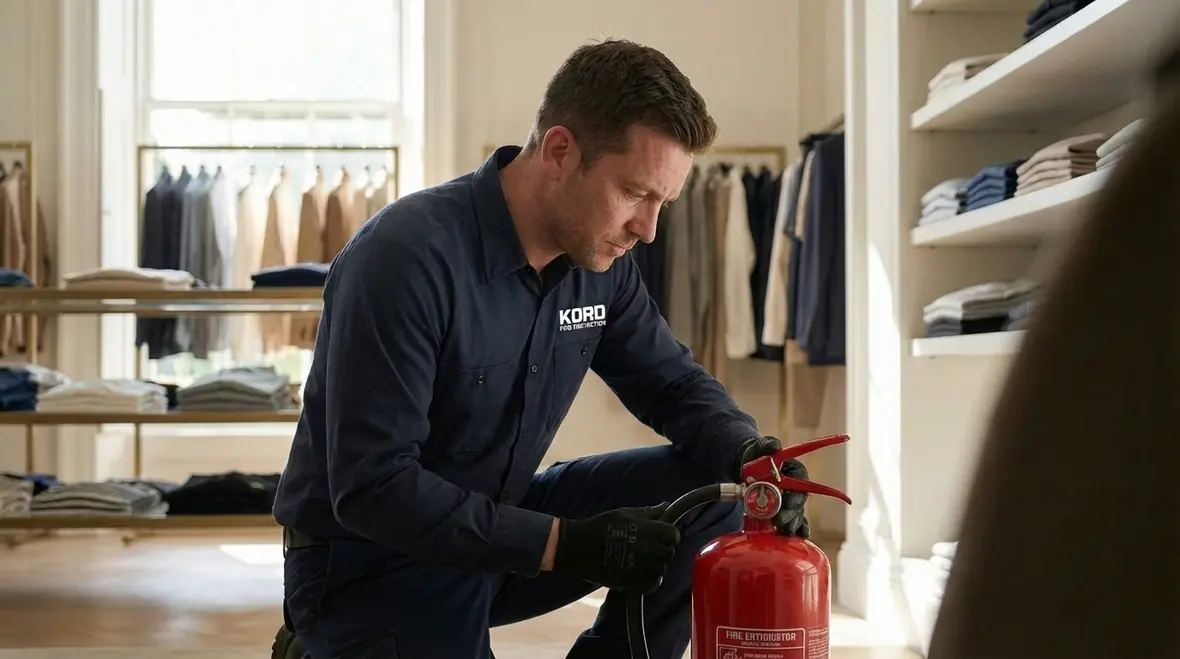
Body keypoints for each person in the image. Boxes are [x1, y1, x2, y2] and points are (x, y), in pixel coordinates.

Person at [270, 38, 809, 659]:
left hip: (499, 527)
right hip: (371, 562)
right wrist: (567, 543)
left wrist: (751, 453)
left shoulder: (601, 263)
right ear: (559, 151)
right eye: (635, 193)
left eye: (663, 202)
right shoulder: (404, 259)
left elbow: (672, 384)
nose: (649, 228)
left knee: (713, 490)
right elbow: (373, 488)